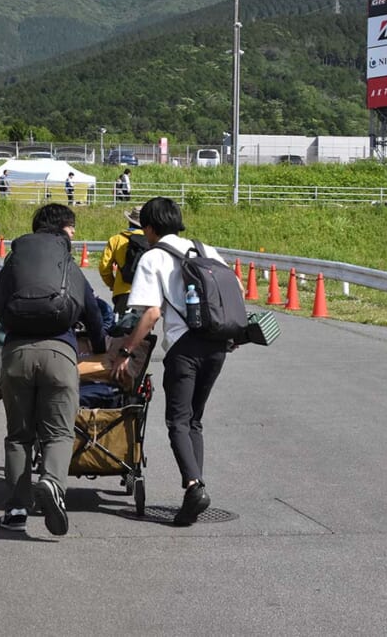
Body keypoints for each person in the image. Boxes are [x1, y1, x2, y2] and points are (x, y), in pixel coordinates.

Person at [111, 197, 235, 526]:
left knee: (178, 421)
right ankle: (195, 487)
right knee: (194, 420)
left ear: (149, 228)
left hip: (185, 347)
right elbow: (234, 288)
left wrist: (126, 351)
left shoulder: (154, 257)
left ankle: (195, 487)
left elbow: (150, 313)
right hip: (218, 344)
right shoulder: (205, 249)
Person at [0, 203, 107, 536]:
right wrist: (100, 347)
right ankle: (52, 483)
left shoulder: (15, 261)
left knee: (19, 436)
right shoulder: (67, 264)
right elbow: (92, 312)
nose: (74, 234)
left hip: (16, 355)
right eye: (72, 229)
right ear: (62, 230)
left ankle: (16, 508)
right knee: (59, 432)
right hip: (60, 355)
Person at [98, 205, 146, 316]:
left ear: (130, 221)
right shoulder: (150, 240)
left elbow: (104, 268)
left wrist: (113, 284)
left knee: (121, 328)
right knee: (143, 330)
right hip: (145, 293)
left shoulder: (116, 239)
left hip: (123, 293)